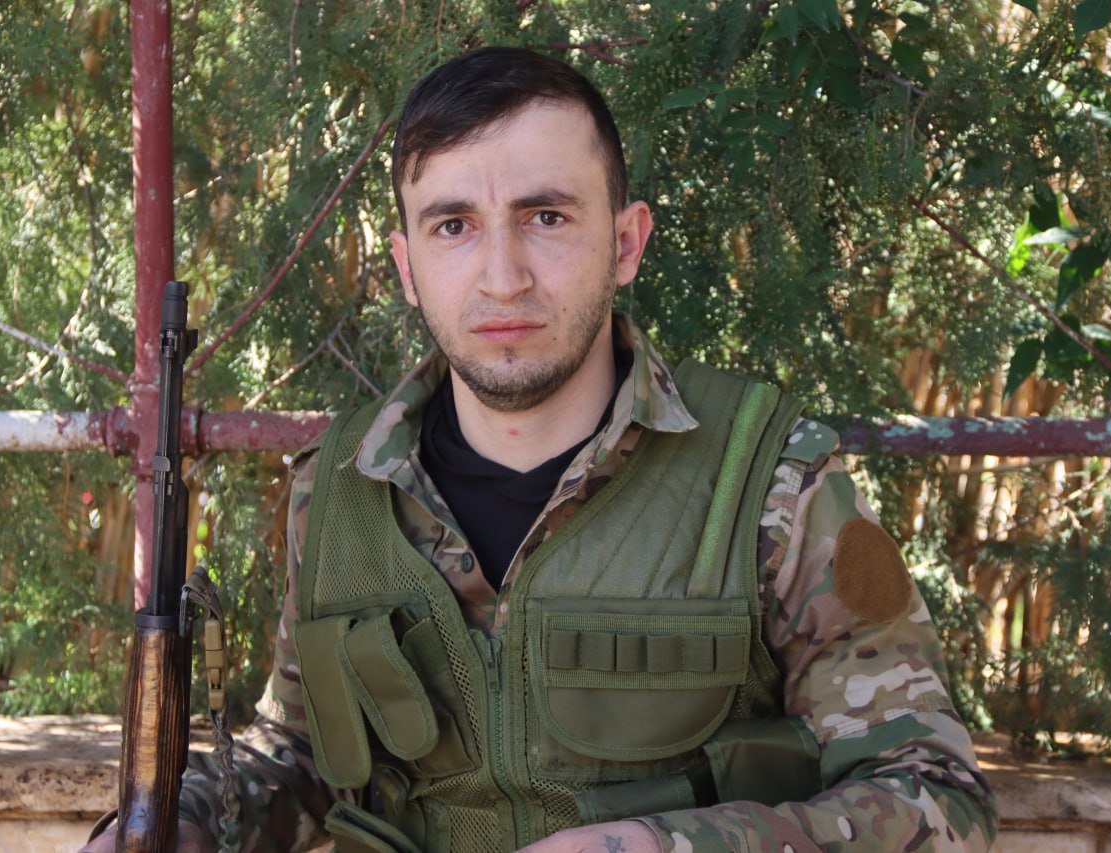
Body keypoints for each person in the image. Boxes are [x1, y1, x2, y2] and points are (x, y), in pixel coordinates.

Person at [85, 46, 998, 852]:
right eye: (454, 226)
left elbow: (937, 798)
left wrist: (668, 847)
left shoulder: (774, 481)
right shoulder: (340, 492)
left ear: (626, 242)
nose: (502, 276)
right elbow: (303, 757)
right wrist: (179, 819)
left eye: (546, 217)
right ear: (408, 268)